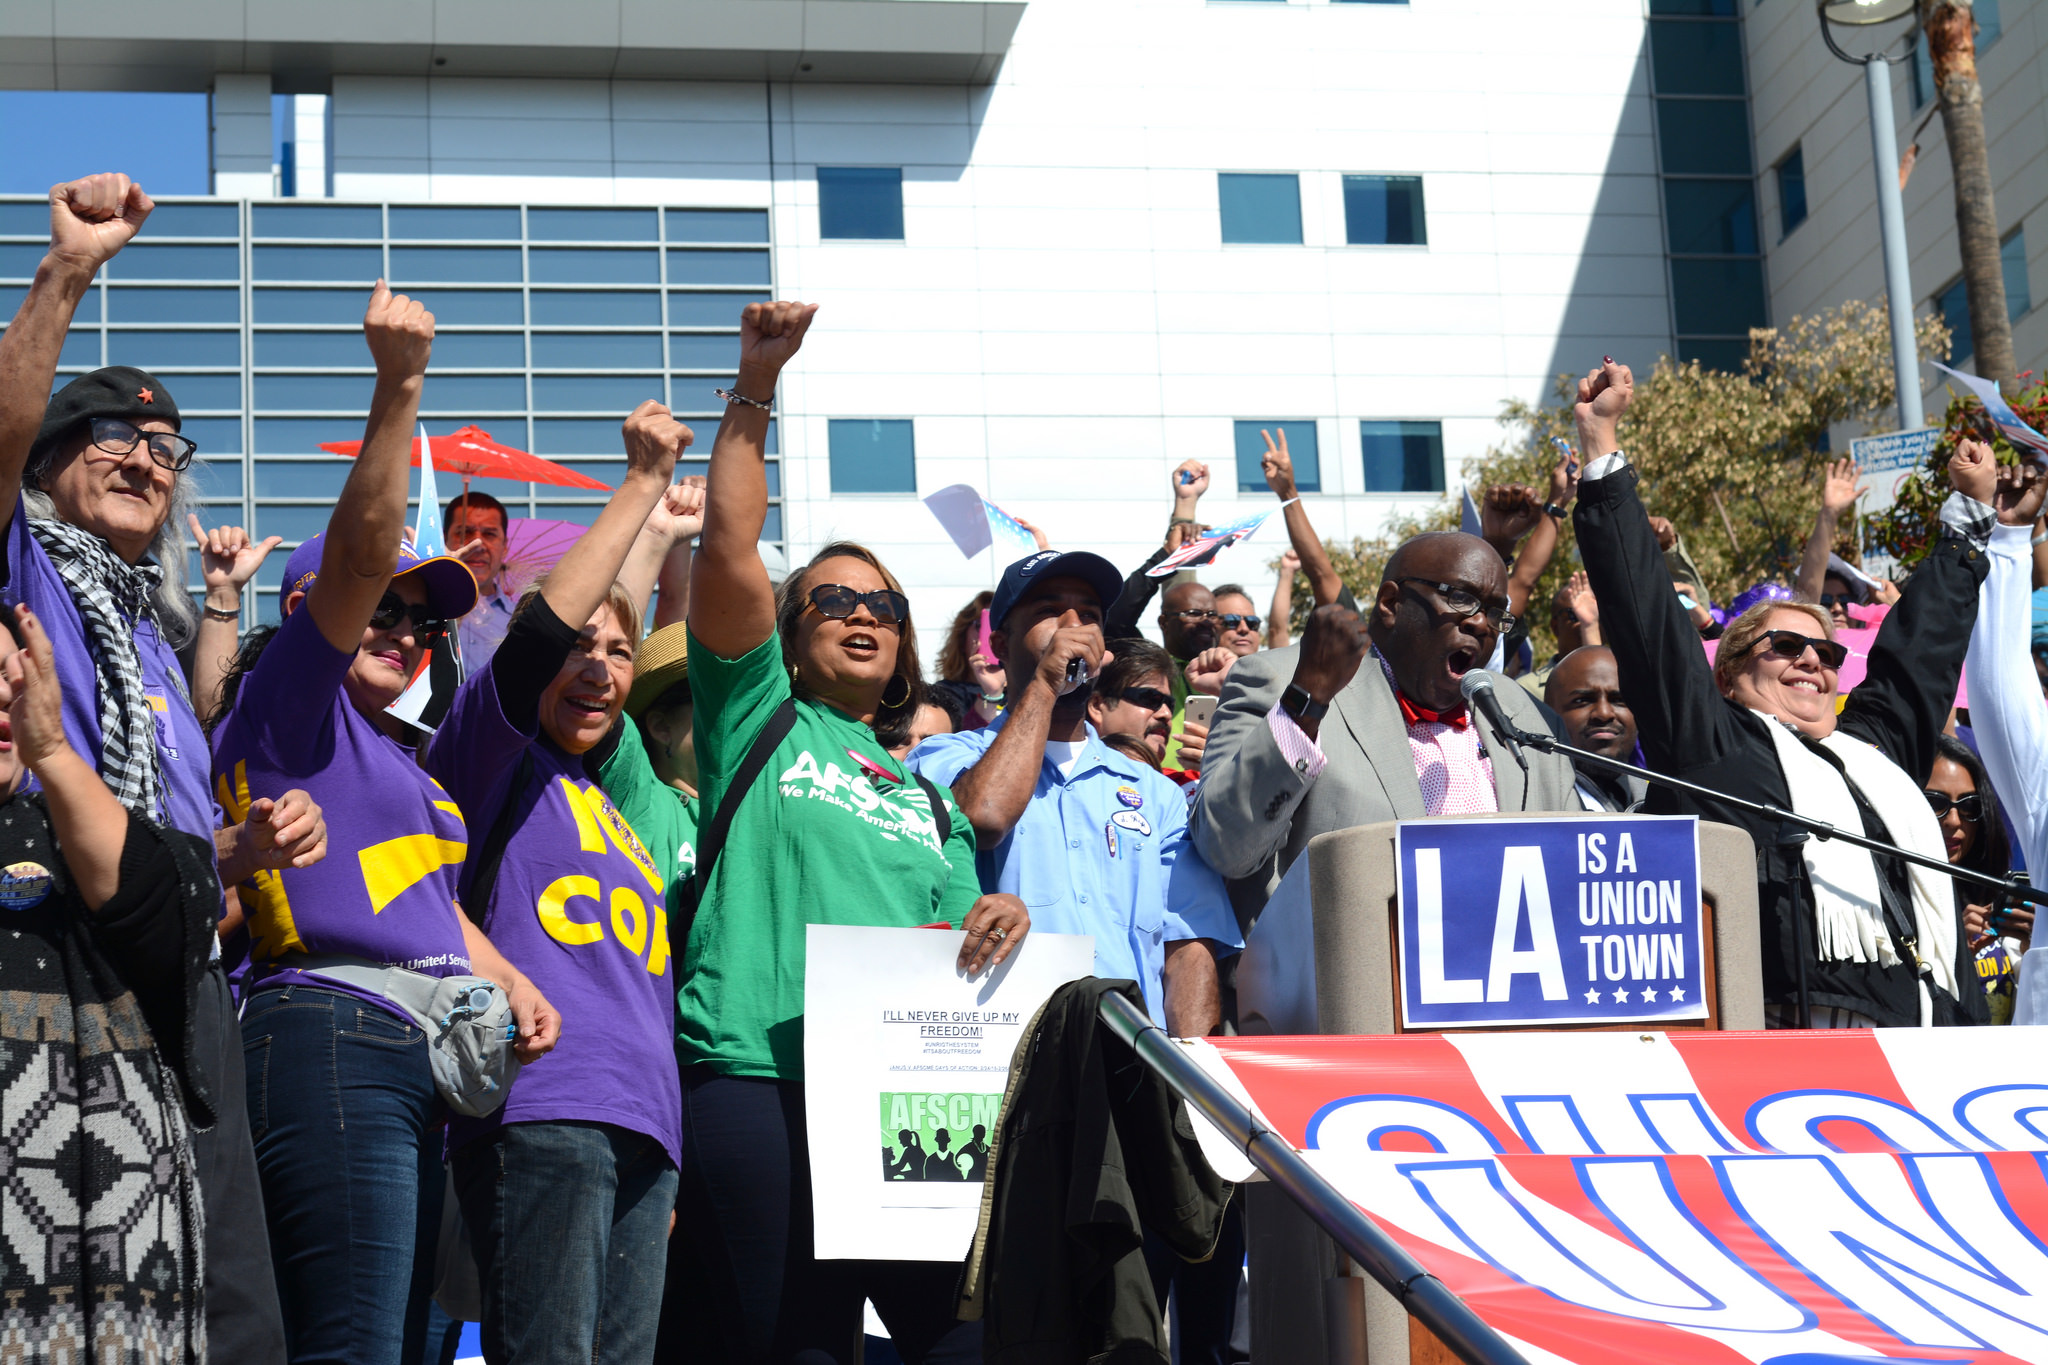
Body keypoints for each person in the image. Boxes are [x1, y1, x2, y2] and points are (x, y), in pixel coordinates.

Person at [211, 282, 561, 1362]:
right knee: (352, 1346)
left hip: (425, 1045)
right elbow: (361, 556)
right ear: (315, 611)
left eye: (424, 620)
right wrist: (399, 384)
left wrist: (506, 974)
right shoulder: (287, 703)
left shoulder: (409, 764)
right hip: (326, 1026)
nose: (405, 629)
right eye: (386, 608)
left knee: (402, 1347)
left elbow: (427, 903)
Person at [675, 299, 1029, 1364]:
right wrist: (756, 388)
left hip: (901, 1103)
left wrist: (999, 915)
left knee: (959, 1344)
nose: (859, 610)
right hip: (758, 1081)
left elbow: (958, 938)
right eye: (829, 598)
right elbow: (730, 545)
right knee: (800, 1346)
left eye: (880, 601)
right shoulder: (759, 720)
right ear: (785, 635)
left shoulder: (927, 796)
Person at [0, 170, 298, 1362]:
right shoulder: (26, 560)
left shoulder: (151, 632)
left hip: (183, 957)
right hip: (54, 939)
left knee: (222, 1297)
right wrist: (69, 270)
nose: (143, 457)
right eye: (113, 435)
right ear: (56, 456)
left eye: (166, 445)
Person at [1573, 356, 1994, 1030]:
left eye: (1825, 652)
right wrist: (1600, 448)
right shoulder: (1713, 744)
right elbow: (1647, 616)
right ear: (1728, 674)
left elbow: (1921, 655)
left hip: (1939, 1046)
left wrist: (1969, 514)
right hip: (1802, 1054)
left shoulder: (1873, 751)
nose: (1811, 661)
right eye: (1785, 646)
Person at [426, 399, 692, 1365]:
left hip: (643, 1132)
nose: (600, 667)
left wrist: (663, 1147)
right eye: (583, 645)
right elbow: (539, 635)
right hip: (542, 1111)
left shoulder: (618, 810)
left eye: (620, 653)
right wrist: (641, 491)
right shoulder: (485, 753)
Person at [0, 603, 219, 1364]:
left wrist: (56, 751)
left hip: (118, 1288)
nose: (5, 697)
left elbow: (172, 905)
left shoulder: (70, 829)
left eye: (16, 678)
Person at [915, 548, 1243, 1033]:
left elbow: (1187, 944)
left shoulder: (1157, 794)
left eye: (1089, 615)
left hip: (1129, 1064)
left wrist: (1190, 1079)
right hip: (1001, 1055)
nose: (1073, 626)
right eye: (1049, 611)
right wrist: (1047, 684)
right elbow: (982, 817)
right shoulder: (944, 756)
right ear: (1000, 645)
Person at [1193, 531, 1576, 885]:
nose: (1480, 623)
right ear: (1392, 603)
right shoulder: (1283, 682)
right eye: (1460, 598)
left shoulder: (1527, 715)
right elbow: (1223, 849)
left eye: (1495, 613)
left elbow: (1572, 867)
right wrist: (1305, 704)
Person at [1925, 733, 2023, 1021]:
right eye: (1935, 802)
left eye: (1968, 805)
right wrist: (1955, 955)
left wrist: (2032, 952)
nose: (1954, 820)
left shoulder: (1996, 896)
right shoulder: (1893, 905)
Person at [1543, 645, 1646, 812]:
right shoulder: (1531, 803)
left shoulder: (1664, 800)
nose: (1604, 713)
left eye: (1619, 699)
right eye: (1582, 701)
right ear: (1547, 713)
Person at [445, 489, 515, 671]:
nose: (477, 544)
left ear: (505, 547)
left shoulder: (521, 624)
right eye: (464, 533)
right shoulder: (420, 614)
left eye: (489, 534)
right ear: (444, 539)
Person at [1087, 639, 1177, 763]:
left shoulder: (1188, 782)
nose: (1166, 714)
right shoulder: (1056, 777)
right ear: (1097, 706)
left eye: (1170, 704)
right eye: (1150, 698)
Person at [932, 590, 1004, 728]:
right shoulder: (942, 695)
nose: (992, 636)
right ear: (962, 637)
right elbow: (960, 744)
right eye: (982, 625)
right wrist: (991, 692)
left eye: (1000, 626)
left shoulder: (1026, 692)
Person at [1211, 583, 1263, 656]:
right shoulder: (1193, 667)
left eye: (1252, 622)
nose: (1244, 629)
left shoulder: (1275, 665)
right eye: (1231, 621)